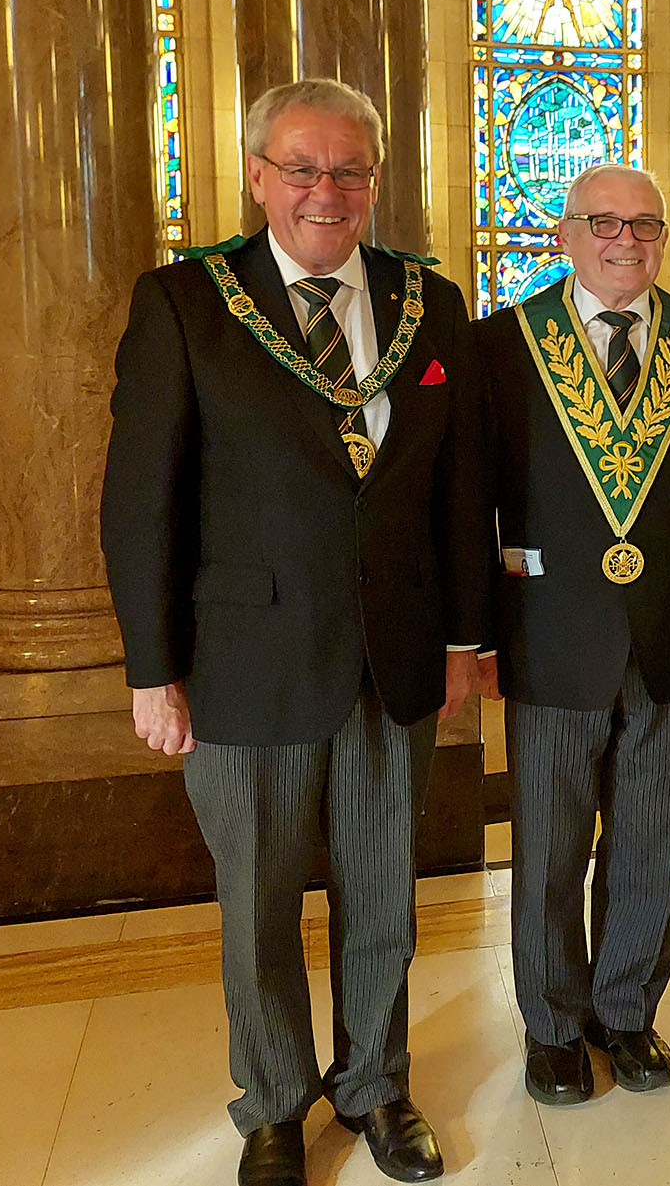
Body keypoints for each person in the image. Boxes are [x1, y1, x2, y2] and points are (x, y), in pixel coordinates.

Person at [101, 78, 489, 1186]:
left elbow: (459, 489)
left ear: (375, 180)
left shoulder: (430, 300)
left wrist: (464, 636)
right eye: (304, 168)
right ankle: (274, 1100)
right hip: (244, 662)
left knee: (384, 892)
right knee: (259, 904)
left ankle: (376, 1082)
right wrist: (152, 667)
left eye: (351, 170)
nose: (329, 190)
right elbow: (141, 500)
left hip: (398, 656)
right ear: (258, 177)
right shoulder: (186, 301)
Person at [473, 164, 670, 1105]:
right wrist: (477, 634)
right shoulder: (503, 343)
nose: (625, 240)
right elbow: (477, 500)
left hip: (669, 634)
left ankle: (625, 1011)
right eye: (603, 223)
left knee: (650, 837)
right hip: (549, 636)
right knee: (548, 843)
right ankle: (552, 1024)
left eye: (646, 225)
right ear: (564, 234)